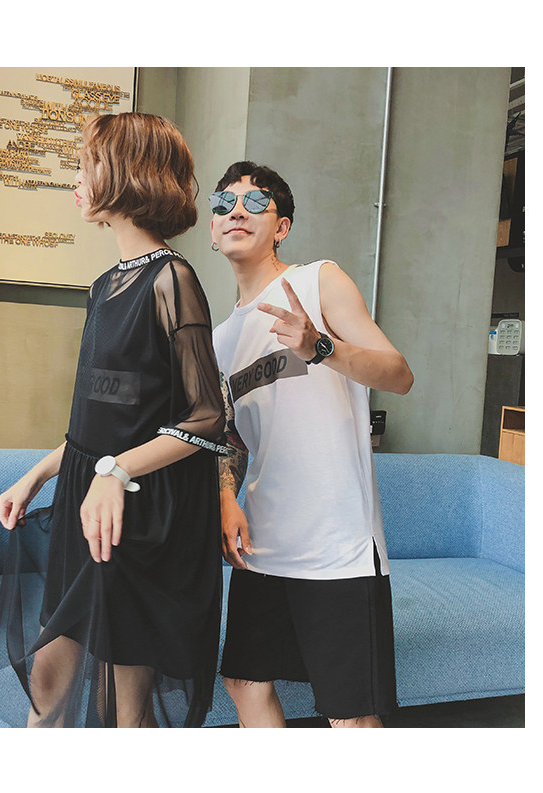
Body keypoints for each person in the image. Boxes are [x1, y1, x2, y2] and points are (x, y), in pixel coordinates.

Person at [0, 113, 227, 728]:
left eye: (86, 164)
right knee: (48, 680)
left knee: (124, 707)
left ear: (124, 173)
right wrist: (39, 474)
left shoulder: (173, 279)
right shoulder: (102, 286)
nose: (77, 178)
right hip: (85, 502)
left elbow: (208, 417)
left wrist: (116, 472)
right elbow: (102, 418)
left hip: (137, 515)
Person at [209, 161, 414, 728]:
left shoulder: (319, 281)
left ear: (282, 227)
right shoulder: (219, 340)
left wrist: (320, 346)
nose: (236, 212)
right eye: (224, 203)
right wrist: (225, 497)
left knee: (350, 715)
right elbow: (232, 436)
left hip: (337, 544)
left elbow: (399, 374)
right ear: (212, 229)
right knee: (244, 681)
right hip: (265, 542)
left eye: (256, 202)